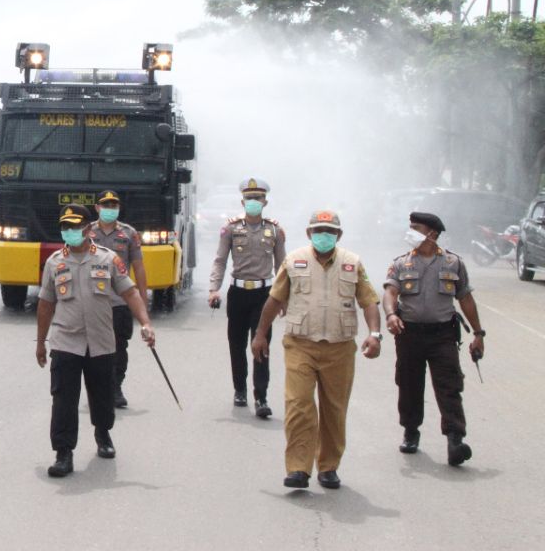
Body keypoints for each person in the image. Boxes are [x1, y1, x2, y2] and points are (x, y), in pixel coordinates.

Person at [251, 210, 382, 490]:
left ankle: (328, 466)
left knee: (334, 410)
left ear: (339, 235)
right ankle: (298, 468)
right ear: (310, 233)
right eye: (319, 230)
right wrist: (260, 334)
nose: (325, 235)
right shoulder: (294, 260)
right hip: (301, 345)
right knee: (299, 405)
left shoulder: (352, 263)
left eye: (330, 231)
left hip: (340, 347)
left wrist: (375, 334)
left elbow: (369, 301)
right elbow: (275, 300)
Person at [37, 205, 157, 477]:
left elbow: (130, 293)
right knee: (63, 400)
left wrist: (146, 323)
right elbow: (45, 304)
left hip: (101, 341)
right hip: (66, 341)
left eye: (75, 227)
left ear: (88, 229)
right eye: (65, 227)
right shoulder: (55, 262)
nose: (70, 232)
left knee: (102, 396)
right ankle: (63, 453)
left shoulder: (108, 259)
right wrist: (40, 342)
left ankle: (103, 434)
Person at [383, 211, 485, 466]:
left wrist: (478, 333)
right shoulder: (401, 263)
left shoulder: (453, 263)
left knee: (449, 386)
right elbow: (390, 292)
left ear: (432, 234)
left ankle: (455, 439)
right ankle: (410, 431)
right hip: (409, 334)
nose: (410, 232)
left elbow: (465, 298)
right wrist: (390, 315)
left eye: (415, 228)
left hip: (442, 335)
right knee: (409, 384)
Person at [208, 177, 287, 418]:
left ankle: (261, 396)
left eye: (258, 198)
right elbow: (220, 260)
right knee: (237, 343)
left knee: (261, 343)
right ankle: (240, 390)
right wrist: (214, 288)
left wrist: (284, 297)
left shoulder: (274, 230)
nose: (254, 202)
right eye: (250, 198)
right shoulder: (231, 229)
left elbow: (282, 265)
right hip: (238, 292)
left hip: (265, 294)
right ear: (242, 200)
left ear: (265, 201)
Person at [87, 190, 149, 409]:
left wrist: (142, 300)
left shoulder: (129, 234)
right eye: (106, 205)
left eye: (114, 206)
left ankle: (116, 387)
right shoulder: (87, 233)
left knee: (119, 347)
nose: (110, 209)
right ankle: (98, 387)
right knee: (93, 348)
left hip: (120, 301)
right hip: (93, 302)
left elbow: (139, 267)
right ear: (97, 208)